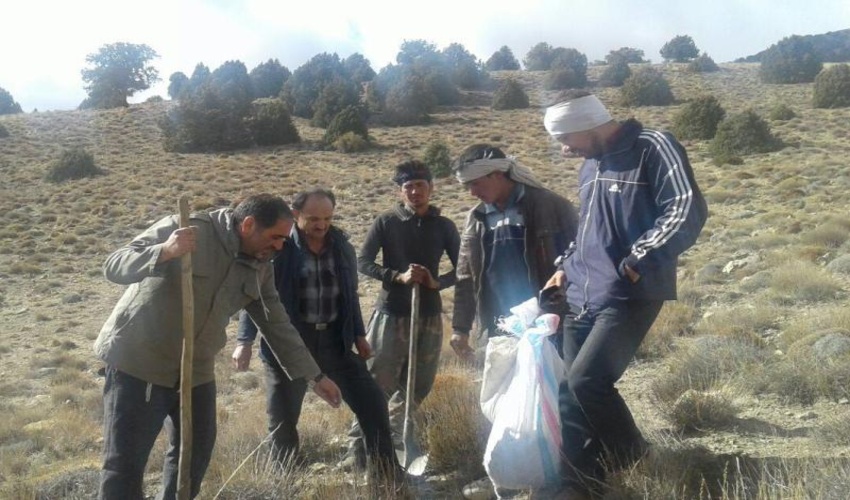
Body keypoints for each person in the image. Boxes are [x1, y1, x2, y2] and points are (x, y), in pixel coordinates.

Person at [94, 194, 342, 500]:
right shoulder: (186, 228)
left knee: (193, 456)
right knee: (125, 466)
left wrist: (315, 376)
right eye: (275, 237)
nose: (280, 246)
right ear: (248, 225)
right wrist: (165, 251)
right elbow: (114, 265)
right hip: (140, 364)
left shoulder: (261, 264)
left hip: (196, 370)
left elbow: (277, 324)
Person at [542, 90, 708, 497]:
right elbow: (587, 228)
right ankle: (576, 481)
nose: (565, 149)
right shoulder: (590, 165)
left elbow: (686, 208)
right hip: (580, 291)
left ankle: (634, 456)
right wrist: (563, 267)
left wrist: (638, 259)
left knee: (588, 382)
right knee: (570, 390)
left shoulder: (652, 146)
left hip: (629, 292)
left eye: (566, 138)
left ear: (588, 124)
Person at [232, 188, 400, 481]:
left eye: (327, 218)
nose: (321, 225)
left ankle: (386, 478)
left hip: (335, 342)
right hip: (289, 346)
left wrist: (359, 335)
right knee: (283, 422)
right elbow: (256, 295)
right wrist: (244, 341)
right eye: (313, 219)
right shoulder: (279, 247)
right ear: (295, 215)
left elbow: (350, 294)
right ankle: (285, 483)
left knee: (373, 405)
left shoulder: (341, 246)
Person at [343, 160, 460, 470]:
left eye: (420, 185)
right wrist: (397, 276)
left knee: (417, 385)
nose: (415, 191)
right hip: (391, 314)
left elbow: (464, 268)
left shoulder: (444, 226)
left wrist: (436, 282)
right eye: (408, 186)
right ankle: (358, 448)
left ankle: (394, 442)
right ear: (400, 190)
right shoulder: (387, 222)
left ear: (431, 188)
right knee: (377, 383)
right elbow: (363, 262)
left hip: (429, 316)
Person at [450, 144, 578, 360]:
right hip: (499, 323)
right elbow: (466, 276)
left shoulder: (551, 206)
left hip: (548, 320)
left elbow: (579, 257)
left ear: (497, 174)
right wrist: (460, 328)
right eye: (467, 186)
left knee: (555, 378)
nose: (472, 192)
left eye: (475, 183)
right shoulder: (476, 218)